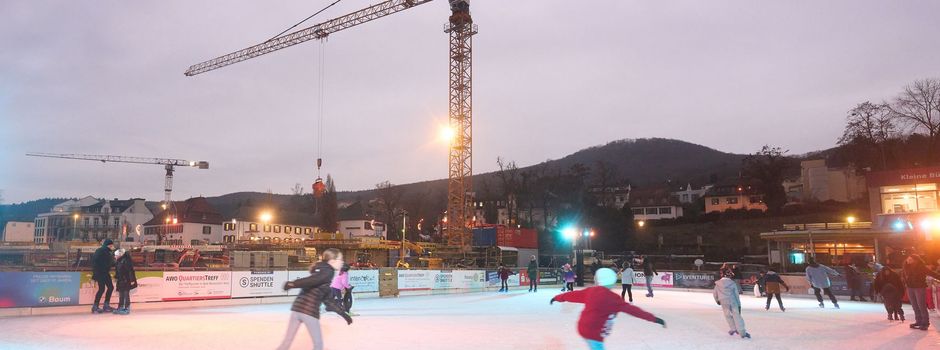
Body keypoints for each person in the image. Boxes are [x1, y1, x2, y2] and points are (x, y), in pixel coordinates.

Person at [551, 268, 666, 349]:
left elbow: (573, 295)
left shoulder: (591, 291)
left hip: (583, 327)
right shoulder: (614, 298)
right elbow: (634, 311)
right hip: (594, 333)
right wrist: (654, 319)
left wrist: (557, 298)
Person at [278, 248, 352, 350]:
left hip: (297, 309)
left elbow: (328, 301)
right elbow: (313, 280)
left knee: (286, 342)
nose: (342, 262)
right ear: (332, 261)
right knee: (318, 345)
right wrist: (293, 284)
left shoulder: (321, 271)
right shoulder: (328, 271)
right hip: (309, 311)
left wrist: (343, 314)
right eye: (340, 259)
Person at [903, 254, 940, 330]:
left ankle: (925, 323)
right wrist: (905, 282)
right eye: (908, 259)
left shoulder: (921, 267)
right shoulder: (906, 267)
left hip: (919, 288)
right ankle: (918, 321)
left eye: (910, 259)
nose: (908, 261)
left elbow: (932, 273)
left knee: (921, 306)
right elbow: (904, 276)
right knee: (914, 306)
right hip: (910, 288)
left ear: (915, 260)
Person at [714, 269, 750, 339]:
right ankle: (742, 332)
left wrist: (717, 300)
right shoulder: (732, 283)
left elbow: (715, 293)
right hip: (732, 301)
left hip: (723, 301)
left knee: (728, 315)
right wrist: (739, 304)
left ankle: (733, 329)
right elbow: (736, 294)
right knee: (737, 316)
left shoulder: (718, 284)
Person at [91, 239, 115, 314]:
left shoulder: (108, 252)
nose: (112, 246)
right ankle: (95, 306)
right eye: (111, 245)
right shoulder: (101, 251)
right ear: (109, 245)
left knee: (110, 287)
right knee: (102, 289)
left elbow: (109, 262)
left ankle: (106, 305)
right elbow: (95, 262)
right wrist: (95, 275)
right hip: (100, 272)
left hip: (105, 272)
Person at [112, 248, 137, 315]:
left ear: (120, 255)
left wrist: (132, 280)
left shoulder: (126, 261)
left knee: (126, 294)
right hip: (121, 281)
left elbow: (130, 271)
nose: (115, 256)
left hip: (126, 280)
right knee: (121, 295)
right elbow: (118, 271)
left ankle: (127, 308)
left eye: (116, 255)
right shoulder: (118, 261)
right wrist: (116, 277)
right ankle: (120, 307)